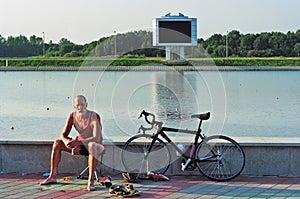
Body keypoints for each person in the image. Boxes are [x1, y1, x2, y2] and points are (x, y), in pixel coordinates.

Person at [40, 95, 104, 191]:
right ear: (75, 106)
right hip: (79, 146)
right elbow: (63, 134)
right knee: (57, 143)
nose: (80, 107)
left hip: (94, 146)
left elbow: (97, 137)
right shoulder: (72, 116)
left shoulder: (94, 116)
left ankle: (91, 181)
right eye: (78, 105)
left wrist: (79, 142)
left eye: (82, 104)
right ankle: (52, 176)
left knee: (92, 146)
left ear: (86, 105)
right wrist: (67, 142)